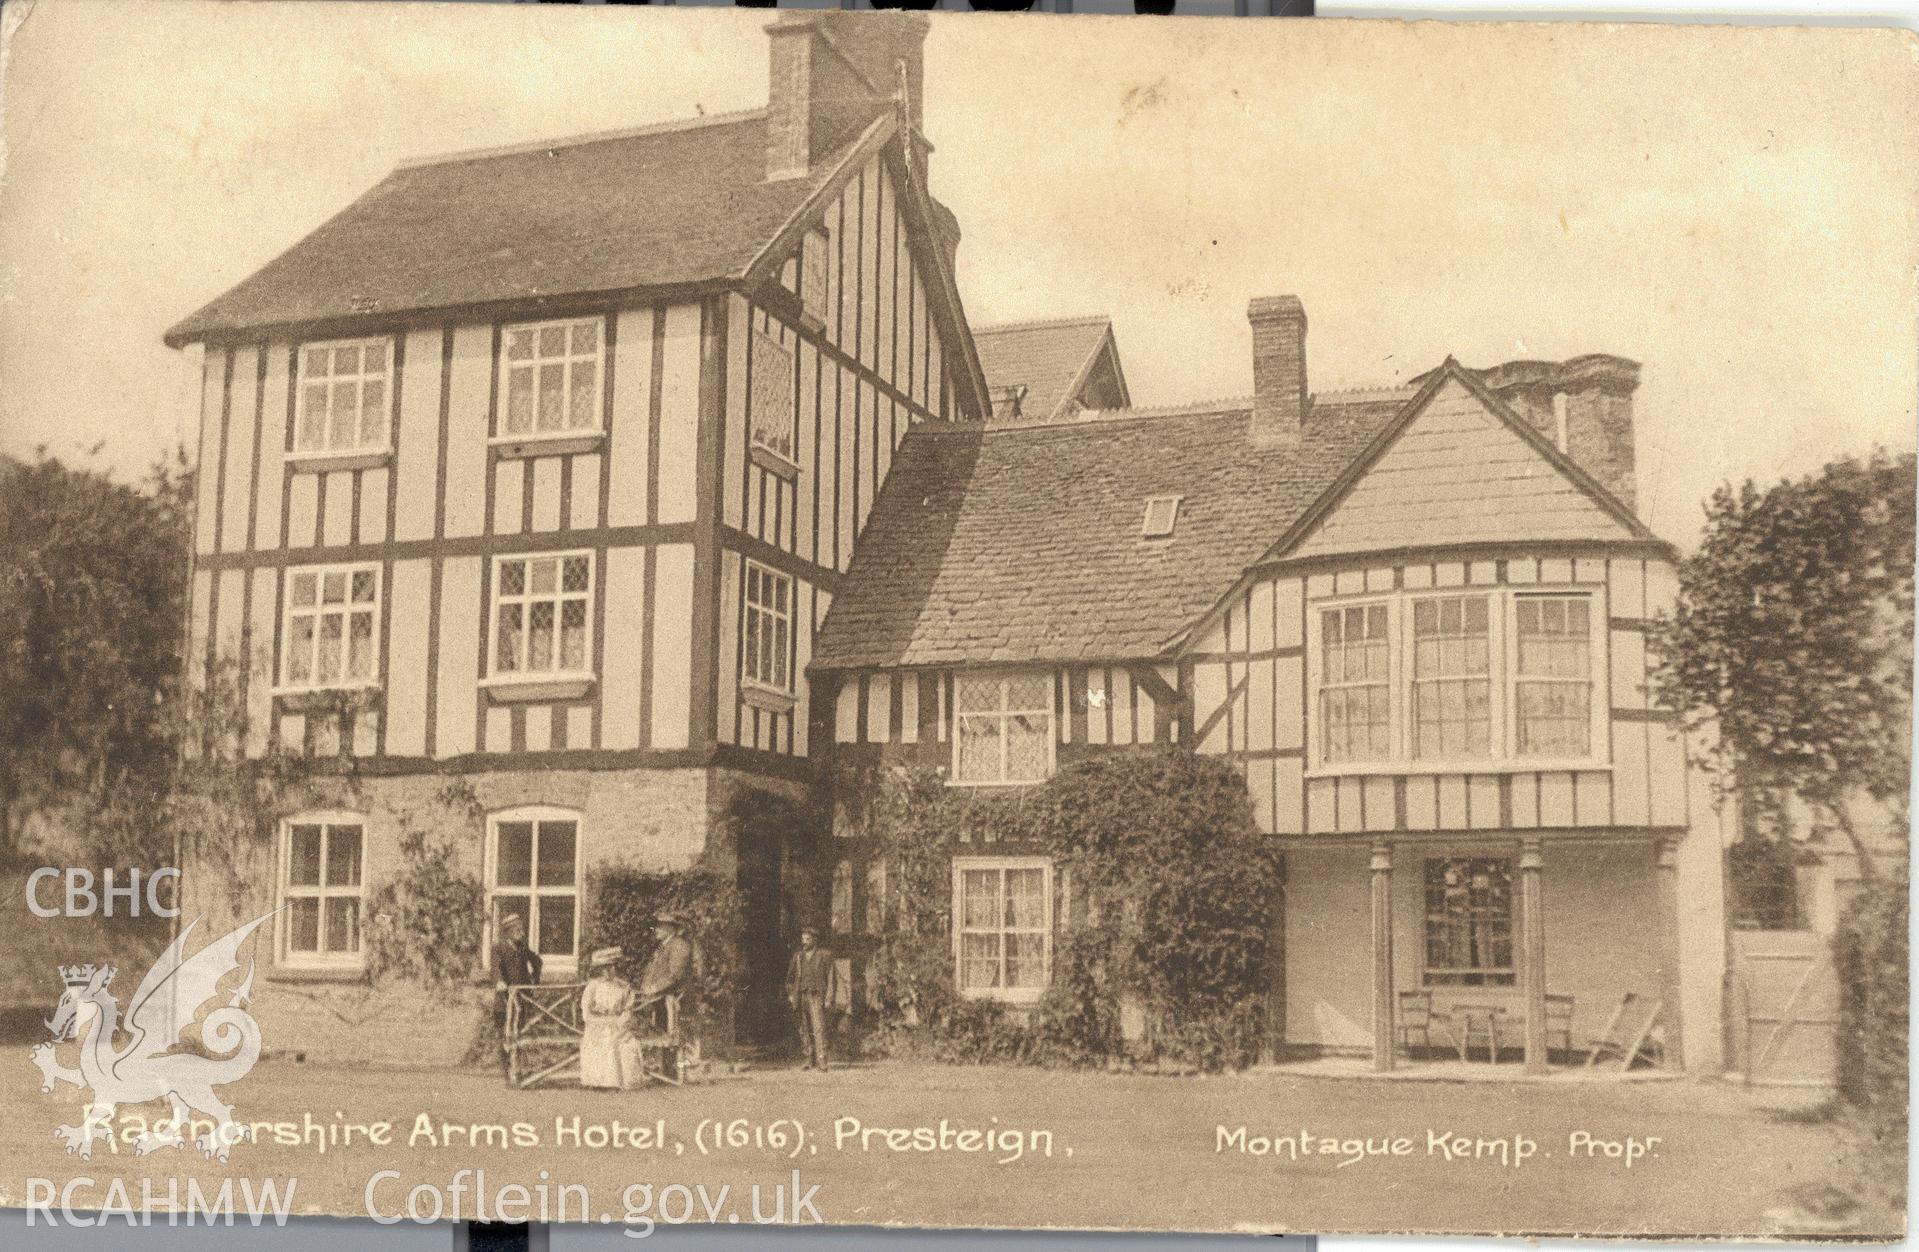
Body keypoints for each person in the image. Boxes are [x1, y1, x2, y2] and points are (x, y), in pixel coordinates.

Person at [492, 913, 542, 1082]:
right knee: (505, 1036)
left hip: (521, 1000)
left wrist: (535, 980)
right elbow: (496, 968)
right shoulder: (499, 949)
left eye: (522, 929)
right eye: (518, 930)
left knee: (519, 1034)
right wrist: (499, 982)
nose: (522, 933)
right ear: (509, 931)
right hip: (504, 1002)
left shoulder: (522, 948)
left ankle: (517, 1070)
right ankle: (508, 1073)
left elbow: (537, 961)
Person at [579, 947, 636, 1090]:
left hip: (618, 1025)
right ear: (598, 970)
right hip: (597, 1026)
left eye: (611, 967)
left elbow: (627, 1010)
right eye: (604, 968)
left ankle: (617, 1081)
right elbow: (586, 1014)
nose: (608, 971)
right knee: (604, 1041)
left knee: (620, 1041)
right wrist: (602, 1021)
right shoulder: (593, 987)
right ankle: (598, 1081)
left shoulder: (623, 987)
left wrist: (621, 1021)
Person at [785, 926, 841, 1071]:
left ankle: (822, 1060)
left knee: (818, 1028)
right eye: (803, 939)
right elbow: (789, 979)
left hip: (816, 996)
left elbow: (831, 978)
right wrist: (791, 995)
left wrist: (829, 998)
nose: (804, 942)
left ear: (815, 940)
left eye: (808, 939)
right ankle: (808, 1059)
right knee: (803, 1029)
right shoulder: (798, 957)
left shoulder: (825, 955)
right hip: (801, 996)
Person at [635, 912, 695, 1035]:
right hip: (657, 1001)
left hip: (670, 1002)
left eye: (660, 926)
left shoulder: (679, 945)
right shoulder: (663, 946)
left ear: (671, 928)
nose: (656, 929)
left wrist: (654, 988)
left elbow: (674, 975)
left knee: (669, 1039)